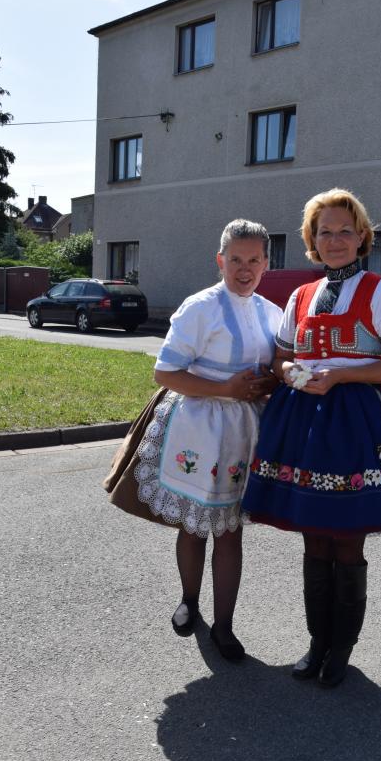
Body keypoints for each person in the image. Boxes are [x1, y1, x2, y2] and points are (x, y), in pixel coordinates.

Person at [242, 189, 381, 686]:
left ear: (362, 237)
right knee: (312, 540)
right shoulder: (300, 296)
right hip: (304, 421)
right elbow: (281, 357)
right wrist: (290, 372)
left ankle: (341, 647)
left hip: (359, 424)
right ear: (312, 239)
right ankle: (316, 642)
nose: (336, 240)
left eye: (346, 230)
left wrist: (341, 375)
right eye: (325, 231)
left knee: (346, 540)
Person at [104, 220, 282, 661]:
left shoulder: (272, 313)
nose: (244, 269)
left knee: (230, 530)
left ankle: (224, 626)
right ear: (220, 260)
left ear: (267, 263)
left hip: (243, 433)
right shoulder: (199, 307)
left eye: (254, 260)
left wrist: (268, 384)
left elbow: (275, 369)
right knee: (194, 523)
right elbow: (165, 373)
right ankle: (189, 600)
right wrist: (227, 389)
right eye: (235, 259)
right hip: (199, 427)